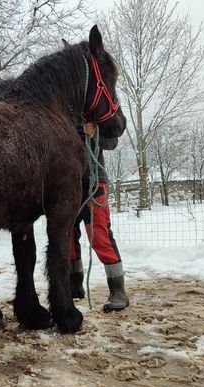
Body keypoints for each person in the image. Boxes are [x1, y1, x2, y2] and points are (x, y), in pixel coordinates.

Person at [70, 121, 130, 311]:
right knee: (67, 237)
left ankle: (118, 291)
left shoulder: (93, 113)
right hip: (67, 182)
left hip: (94, 181)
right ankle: (74, 285)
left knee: (99, 234)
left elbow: (112, 142)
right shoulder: (62, 110)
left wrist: (96, 133)